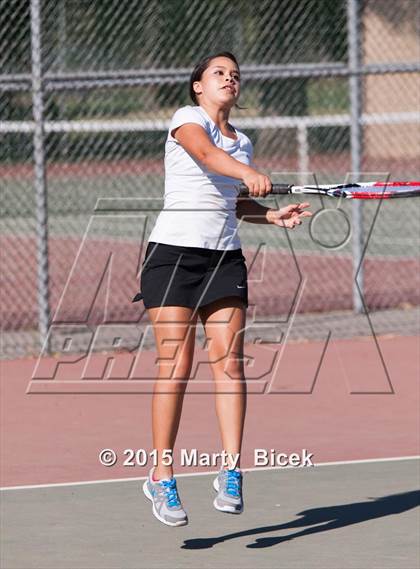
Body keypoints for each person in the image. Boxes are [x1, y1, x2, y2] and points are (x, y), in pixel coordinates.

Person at [136, 52, 311, 527]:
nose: (229, 79)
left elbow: (235, 202)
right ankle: (161, 475)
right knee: (176, 365)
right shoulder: (187, 120)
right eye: (219, 73)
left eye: (235, 75)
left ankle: (231, 470)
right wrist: (247, 174)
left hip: (224, 258)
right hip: (173, 256)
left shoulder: (243, 142)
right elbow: (207, 157)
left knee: (230, 364)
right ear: (198, 85)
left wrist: (270, 215)